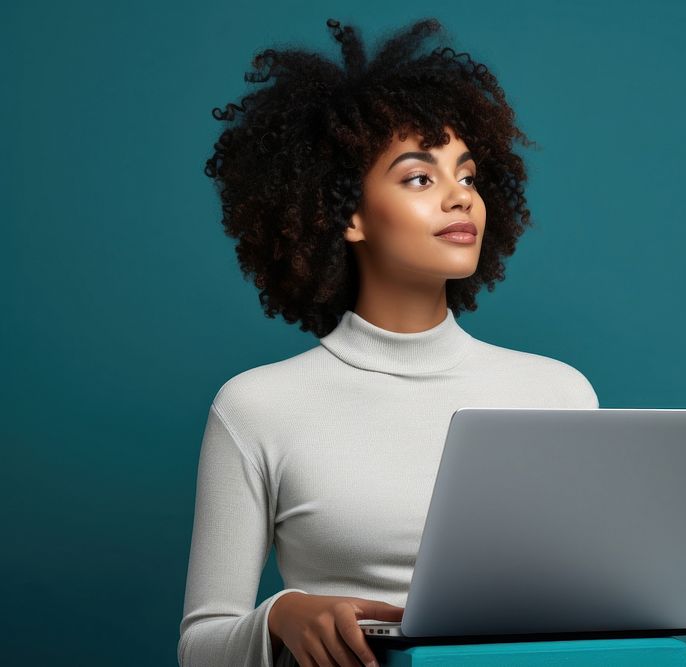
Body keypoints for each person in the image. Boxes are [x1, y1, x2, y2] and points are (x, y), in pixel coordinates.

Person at [178, 16, 599, 667]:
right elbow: (199, 643)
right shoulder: (256, 406)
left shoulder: (560, 391)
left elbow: (590, 609)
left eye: (467, 174)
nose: (460, 198)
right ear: (346, 214)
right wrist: (282, 614)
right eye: (419, 178)